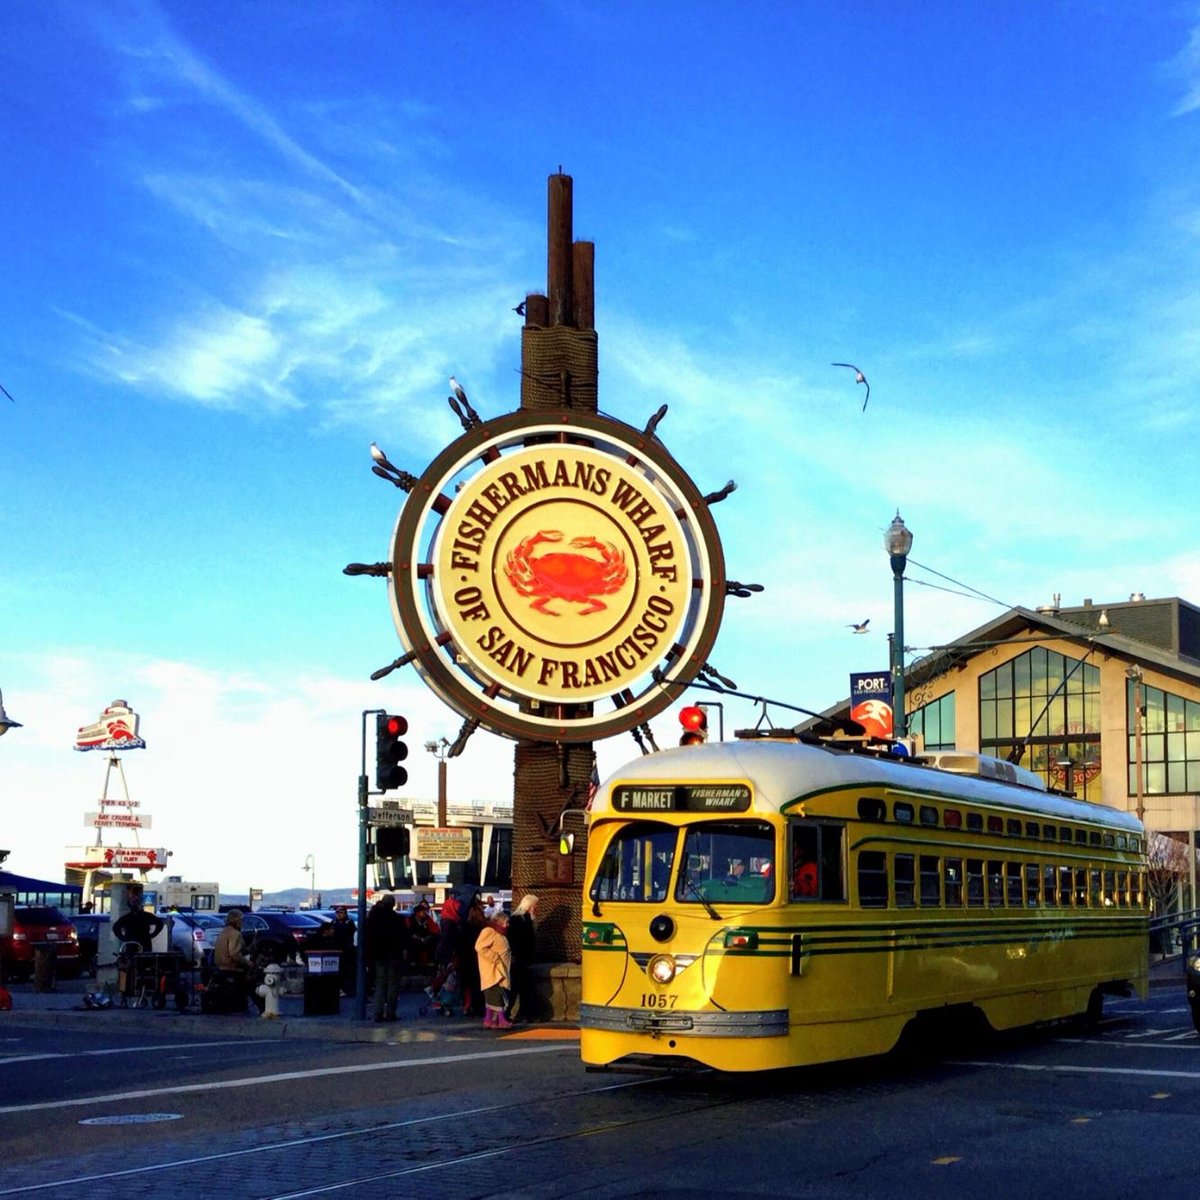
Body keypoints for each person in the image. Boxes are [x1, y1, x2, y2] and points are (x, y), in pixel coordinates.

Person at [365, 894, 408, 1022]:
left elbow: (369, 937)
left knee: (380, 984)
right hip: (394, 955)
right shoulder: (398, 919)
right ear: (393, 904)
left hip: (379, 955)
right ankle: (391, 1013)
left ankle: (378, 1012)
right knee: (393, 985)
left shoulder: (374, 918)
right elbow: (404, 938)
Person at [475, 911, 513, 1029]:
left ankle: (489, 1020)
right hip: (493, 970)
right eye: (506, 922)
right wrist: (495, 958)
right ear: (500, 922)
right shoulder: (489, 931)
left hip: (500, 969)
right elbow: (479, 947)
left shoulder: (500, 933)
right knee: (497, 996)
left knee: (493, 996)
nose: (507, 925)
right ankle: (501, 1020)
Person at [211, 909, 253, 1012]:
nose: (243, 922)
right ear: (236, 920)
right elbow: (234, 954)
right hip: (232, 969)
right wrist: (248, 963)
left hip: (220, 968)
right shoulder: (235, 934)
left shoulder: (224, 932)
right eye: (241, 920)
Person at [506, 893, 539, 1022]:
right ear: (530, 906)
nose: (537, 908)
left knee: (525, 989)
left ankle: (526, 1014)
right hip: (518, 959)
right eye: (536, 905)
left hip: (524, 959)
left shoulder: (526, 919)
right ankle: (506, 1013)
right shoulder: (517, 919)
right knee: (515, 989)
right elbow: (516, 940)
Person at [456, 895, 487, 1017]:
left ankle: (470, 1006)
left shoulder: (464, 927)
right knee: (478, 984)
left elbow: (459, 945)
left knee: (469, 985)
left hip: (466, 960)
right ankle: (479, 1007)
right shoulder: (482, 928)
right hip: (478, 959)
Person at [329, 905, 357, 997]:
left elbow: (349, 934)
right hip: (335, 949)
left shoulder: (349, 922)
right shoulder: (333, 922)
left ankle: (347, 988)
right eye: (337, 913)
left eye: (341, 913)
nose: (339, 915)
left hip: (346, 950)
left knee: (347, 970)